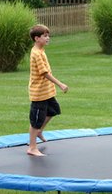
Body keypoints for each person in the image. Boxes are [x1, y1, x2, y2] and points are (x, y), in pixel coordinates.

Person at [28, 24, 68, 156]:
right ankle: (32, 147)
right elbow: (44, 73)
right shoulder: (36, 54)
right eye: (45, 36)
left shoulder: (41, 51)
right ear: (36, 38)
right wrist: (60, 84)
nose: (48, 38)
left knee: (54, 110)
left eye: (48, 35)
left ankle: (39, 131)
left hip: (47, 92)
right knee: (36, 120)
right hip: (39, 93)